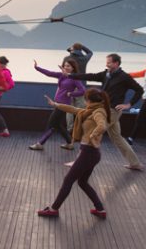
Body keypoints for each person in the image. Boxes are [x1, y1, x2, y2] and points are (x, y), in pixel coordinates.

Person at [37, 88, 110, 219]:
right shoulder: (89, 111)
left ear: (88, 100)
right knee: (82, 182)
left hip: (89, 152)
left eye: (85, 99)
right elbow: (73, 109)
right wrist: (55, 104)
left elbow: (102, 126)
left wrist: (93, 135)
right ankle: (100, 209)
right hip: (91, 153)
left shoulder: (98, 111)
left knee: (68, 180)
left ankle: (53, 209)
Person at [66, 53, 144, 170]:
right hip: (105, 109)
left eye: (109, 62)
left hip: (112, 111)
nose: (106, 64)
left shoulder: (124, 77)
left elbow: (139, 90)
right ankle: (135, 163)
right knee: (117, 138)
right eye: (106, 62)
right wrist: (71, 75)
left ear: (116, 63)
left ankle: (79, 162)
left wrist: (129, 104)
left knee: (91, 130)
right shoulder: (106, 75)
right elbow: (90, 76)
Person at [29, 58, 84, 151]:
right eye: (65, 65)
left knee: (51, 124)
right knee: (57, 125)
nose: (66, 67)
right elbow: (49, 73)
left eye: (68, 66)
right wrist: (37, 68)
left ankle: (40, 144)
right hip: (57, 103)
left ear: (73, 68)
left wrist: (71, 94)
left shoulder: (74, 78)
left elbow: (82, 90)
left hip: (64, 105)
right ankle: (70, 143)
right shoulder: (61, 75)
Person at [65, 43, 93, 132]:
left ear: (72, 49)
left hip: (69, 86)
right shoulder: (84, 59)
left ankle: (70, 129)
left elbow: (68, 50)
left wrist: (72, 49)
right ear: (81, 49)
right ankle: (81, 129)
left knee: (69, 109)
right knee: (81, 109)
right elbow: (90, 52)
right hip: (81, 86)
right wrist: (82, 46)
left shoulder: (67, 59)